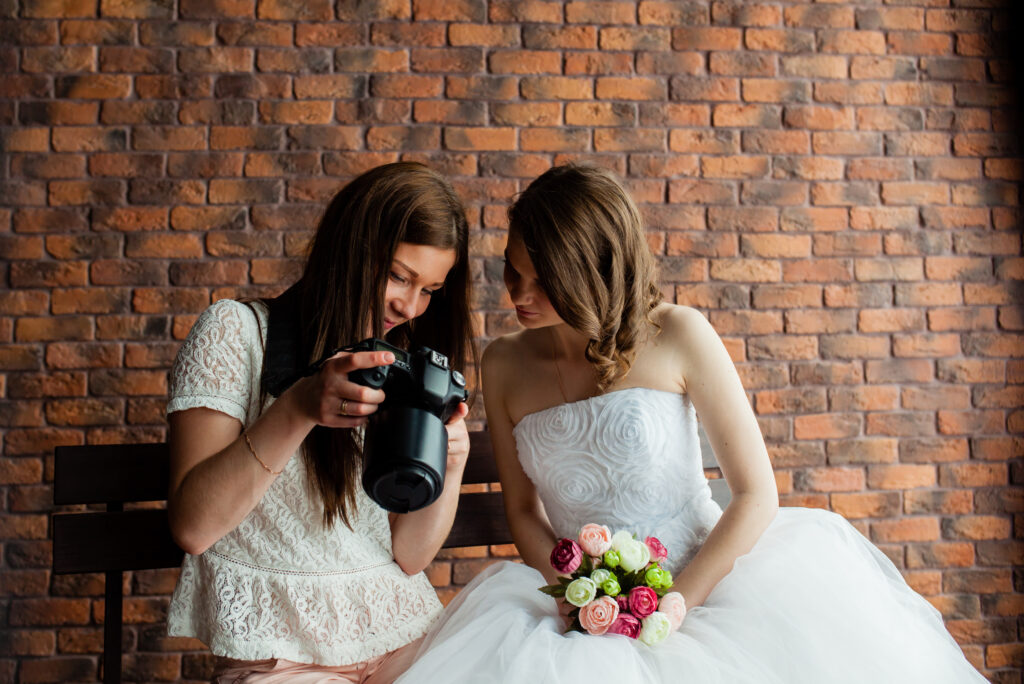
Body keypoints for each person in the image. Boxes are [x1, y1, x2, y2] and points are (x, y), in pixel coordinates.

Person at [395, 165, 986, 683]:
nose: (517, 293)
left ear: (589, 271)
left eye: (540, 279)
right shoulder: (503, 362)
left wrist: (673, 606)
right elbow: (523, 511)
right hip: (581, 607)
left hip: (709, 589)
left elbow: (756, 494)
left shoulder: (679, 333)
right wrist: (578, 594)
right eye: (510, 270)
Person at [164, 162, 476, 683]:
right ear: (349, 251)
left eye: (429, 289)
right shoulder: (236, 333)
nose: (409, 304)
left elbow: (411, 555)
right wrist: (298, 406)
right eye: (398, 275)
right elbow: (193, 528)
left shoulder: (396, 364)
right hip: (280, 656)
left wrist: (455, 460)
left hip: (402, 636)